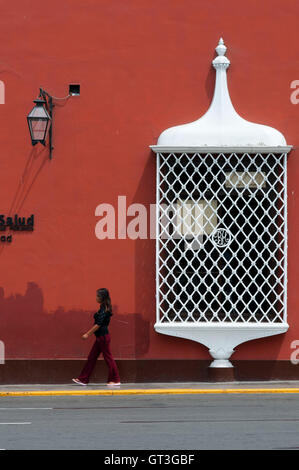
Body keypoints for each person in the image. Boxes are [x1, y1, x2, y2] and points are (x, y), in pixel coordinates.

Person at [72, 288, 121, 386]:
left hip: (103, 337)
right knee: (92, 357)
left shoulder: (104, 308)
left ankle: (116, 380)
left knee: (108, 358)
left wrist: (87, 334)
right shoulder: (103, 307)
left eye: (97, 296)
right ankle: (83, 379)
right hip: (100, 338)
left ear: (102, 297)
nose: (96, 298)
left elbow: (98, 324)